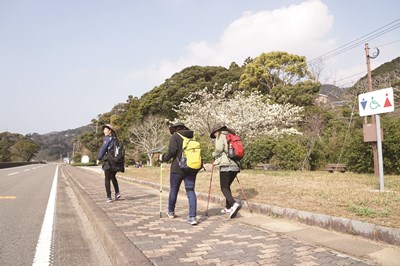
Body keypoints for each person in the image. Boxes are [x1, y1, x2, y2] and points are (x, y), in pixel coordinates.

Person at [159, 122, 198, 225]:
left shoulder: (175, 137)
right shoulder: (191, 137)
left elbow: (172, 151)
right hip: (191, 167)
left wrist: (163, 158)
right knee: (190, 190)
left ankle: (171, 211)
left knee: (174, 189)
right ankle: (192, 217)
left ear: (175, 129)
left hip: (178, 168)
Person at [210, 123, 241, 218]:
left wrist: (213, 155)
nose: (215, 135)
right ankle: (228, 208)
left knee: (223, 187)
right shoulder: (231, 136)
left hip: (226, 166)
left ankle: (233, 204)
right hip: (235, 165)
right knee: (227, 186)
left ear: (217, 131)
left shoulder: (220, 136)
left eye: (215, 133)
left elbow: (219, 149)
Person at [96, 124, 121, 203]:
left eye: (105, 129)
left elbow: (103, 149)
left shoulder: (107, 139)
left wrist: (99, 158)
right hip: (116, 161)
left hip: (109, 161)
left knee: (107, 178)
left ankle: (109, 197)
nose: (104, 131)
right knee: (113, 176)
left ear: (109, 131)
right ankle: (117, 193)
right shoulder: (115, 139)